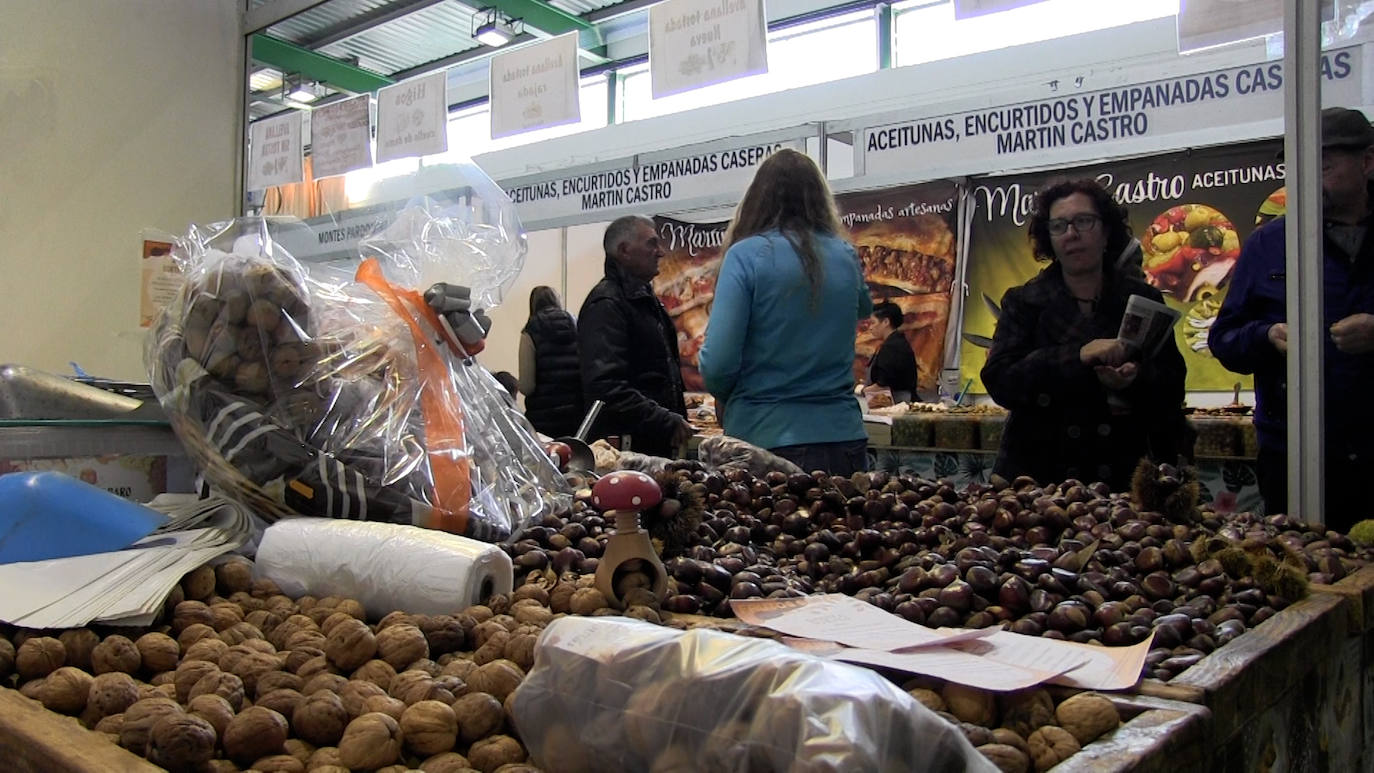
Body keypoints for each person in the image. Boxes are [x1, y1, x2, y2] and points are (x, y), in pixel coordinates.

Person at [1209, 107, 1374, 529]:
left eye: (1322, 166)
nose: (1306, 178)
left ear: (1367, 162)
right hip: (1294, 455)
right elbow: (1224, 338)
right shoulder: (1269, 243)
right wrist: (1267, 336)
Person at [981, 179, 1187, 491]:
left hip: (1123, 476)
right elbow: (1001, 381)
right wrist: (1078, 355)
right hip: (1039, 480)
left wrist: (1134, 380)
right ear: (1048, 238)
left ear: (1106, 231)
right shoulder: (1024, 302)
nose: (1071, 234)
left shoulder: (1142, 300)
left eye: (1083, 221)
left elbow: (1173, 384)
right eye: (1059, 225)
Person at [698, 148, 873, 475]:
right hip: (844, 436)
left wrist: (725, 396)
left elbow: (719, 363)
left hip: (767, 437)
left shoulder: (745, 256)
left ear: (757, 199)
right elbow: (864, 306)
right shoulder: (845, 254)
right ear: (820, 199)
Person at [578, 215, 692, 458]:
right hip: (628, 450)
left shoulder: (644, 302)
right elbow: (606, 387)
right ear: (624, 251)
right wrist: (665, 419)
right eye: (651, 243)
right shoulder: (607, 304)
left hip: (650, 445)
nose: (660, 252)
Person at [517, 286, 584, 438]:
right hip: (576, 415)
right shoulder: (576, 323)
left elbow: (527, 386)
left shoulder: (530, 330)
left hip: (544, 420)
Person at [867, 301, 920, 403]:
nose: (870, 327)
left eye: (873, 322)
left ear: (886, 322)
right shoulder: (894, 342)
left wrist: (861, 392)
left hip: (898, 402)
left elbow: (883, 383)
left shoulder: (892, 347)